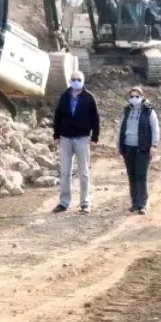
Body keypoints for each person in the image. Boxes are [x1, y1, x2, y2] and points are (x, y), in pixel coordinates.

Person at [52, 69, 100, 214]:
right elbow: (58, 116)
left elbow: (95, 118)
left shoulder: (89, 98)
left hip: (82, 138)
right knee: (65, 172)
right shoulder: (64, 97)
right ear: (69, 81)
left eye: (78, 79)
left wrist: (95, 137)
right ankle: (64, 202)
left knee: (83, 172)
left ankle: (85, 203)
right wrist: (56, 135)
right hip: (66, 138)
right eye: (73, 79)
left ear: (83, 81)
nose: (76, 82)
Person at [117, 86, 160, 215]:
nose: (134, 99)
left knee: (141, 175)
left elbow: (155, 128)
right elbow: (121, 128)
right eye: (132, 96)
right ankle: (134, 203)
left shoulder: (148, 111)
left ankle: (142, 204)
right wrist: (119, 145)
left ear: (142, 97)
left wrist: (154, 145)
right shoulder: (127, 111)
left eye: (137, 96)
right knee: (132, 175)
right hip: (128, 147)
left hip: (143, 148)